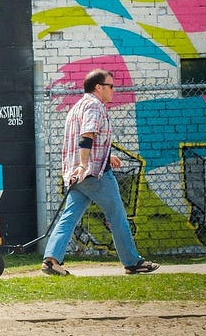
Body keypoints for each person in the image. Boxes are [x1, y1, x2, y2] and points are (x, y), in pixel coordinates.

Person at [41, 69, 159, 276]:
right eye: (111, 86)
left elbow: (90, 138)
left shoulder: (78, 106)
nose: (114, 90)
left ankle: (51, 260)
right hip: (94, 174)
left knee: (69, 217)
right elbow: (87, 135)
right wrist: (84, 164)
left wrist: (106, 155)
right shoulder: (95, 106)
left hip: (77, 175)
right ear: (98, 87)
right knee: (117, 216)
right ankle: (132, 262)